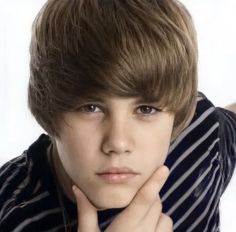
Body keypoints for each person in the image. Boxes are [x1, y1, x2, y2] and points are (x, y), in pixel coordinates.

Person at [0, 0, 235, 231]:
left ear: (179, 114)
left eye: (146, 109)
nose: (118, 143)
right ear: (48, 109)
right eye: (90, 107)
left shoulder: (200, 136)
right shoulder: (11, 213)